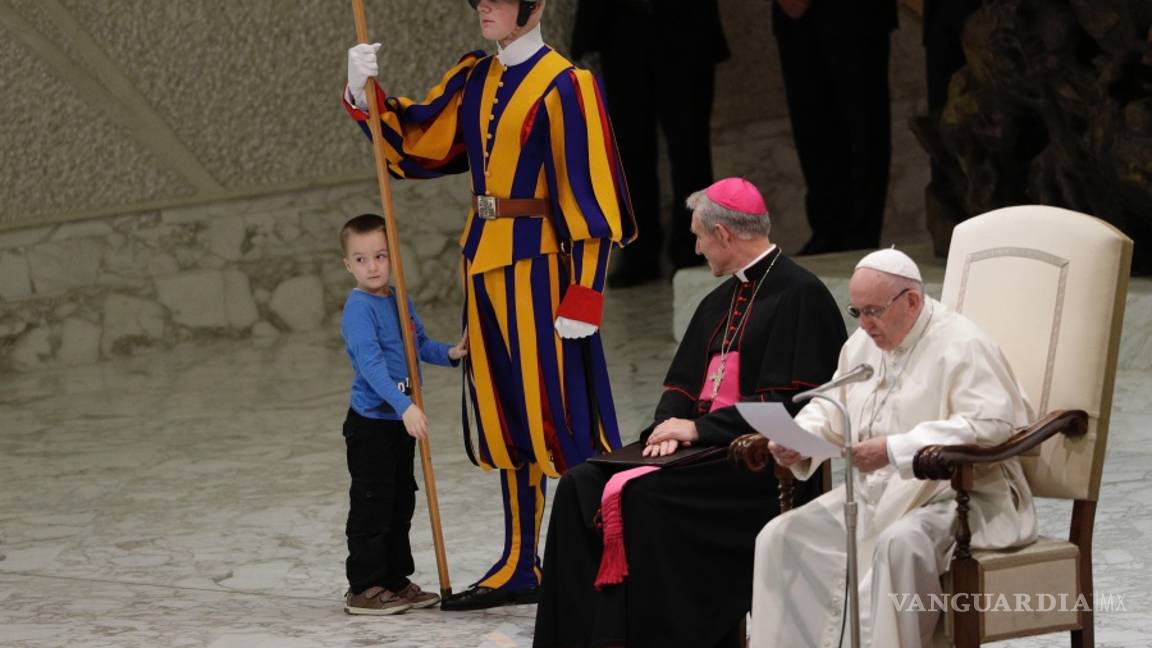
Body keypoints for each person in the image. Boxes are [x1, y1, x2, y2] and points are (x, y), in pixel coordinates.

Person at [343, 0, 637, 610]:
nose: (484, 5)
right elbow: (417, 148)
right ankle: (519, 562)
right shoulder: (477, 75)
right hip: (483, 264)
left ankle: (602, 558)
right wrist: (361, 93)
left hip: (544, 271)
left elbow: (591, 195)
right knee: (506, 418)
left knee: (563, 414)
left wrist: (584, 293)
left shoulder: (567, 84)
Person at [533, 178, 847, 648]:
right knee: (580, 484)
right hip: (698, 453)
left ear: (723, 234)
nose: (696, 248)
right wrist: (667, 428)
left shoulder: (802, 295)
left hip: (753, 464)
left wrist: (698, 430)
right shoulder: (717, 300)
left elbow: (796, 409)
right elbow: (679, 387)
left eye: (699, 236)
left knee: (643, 499)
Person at [746, 249, 1037, 647]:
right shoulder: (863, 344)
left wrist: (894, 449)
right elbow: (832, 406)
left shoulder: (963, 344)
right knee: (780, 537)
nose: (864, 324)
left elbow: (991, 426)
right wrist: (799, 439)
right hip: (874, 495)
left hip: (955, 495)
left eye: (873, 311)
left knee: (898, 545)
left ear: (911, 301)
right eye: (857, 312)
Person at [338, 214, 469, 615]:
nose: (372, 267)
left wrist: (451, 353)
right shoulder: (359, 310)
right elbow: (371, 366)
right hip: (373, 425)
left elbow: (419, 345)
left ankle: (393, 579)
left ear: (393, 256)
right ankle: (364, 586)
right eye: (361, 259)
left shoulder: (399, 299)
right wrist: (406, 405)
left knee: (400, 503)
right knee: (373, 505)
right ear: (348, 265)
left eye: (380, 256)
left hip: (399, 421)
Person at [571, 0, 729, 286]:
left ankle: (694, 247)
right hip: (621, 28)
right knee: (630, 151)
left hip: (684, 27)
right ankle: (639, 253)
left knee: (690, 147)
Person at [772, 0, 898, 254]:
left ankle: (861, 232)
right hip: (795, 18)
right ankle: (826, 229)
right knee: (811, 126)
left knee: (863, 123)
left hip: (856, 13)